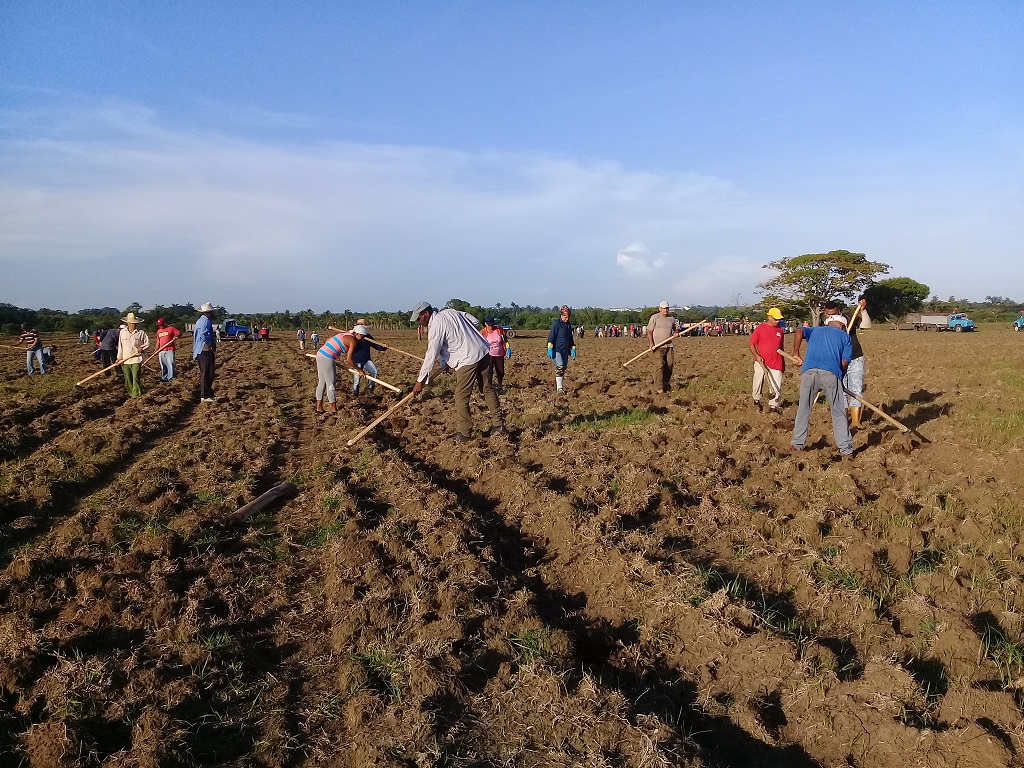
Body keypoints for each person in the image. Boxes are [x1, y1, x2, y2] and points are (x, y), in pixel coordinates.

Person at [410, 301, 504, 441]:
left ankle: (465, 433)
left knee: (461, 396)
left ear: (425, 313)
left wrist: (420, 381)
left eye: (419, 317)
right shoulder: (450, 312)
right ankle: (499, 425)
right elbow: (474, 321)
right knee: (487, 389)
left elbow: (431, 355)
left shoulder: (436, 325)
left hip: (467, 359)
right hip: (483, 351)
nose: (419, 321)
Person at [790, 313, 854, 459]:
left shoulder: (815, 330)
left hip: (809, 372)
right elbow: (844, 362)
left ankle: (796, 443)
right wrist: (839, 378)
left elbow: (799, 330)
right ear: (842, 325)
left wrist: (795, 353)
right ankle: (846, 449)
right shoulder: (845, 337)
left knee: (804, 408)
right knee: (838, 412)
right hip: (831, 374)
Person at [748, 308, 786, 411]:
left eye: (779, 319)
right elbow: (751, 344)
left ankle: (773, 406)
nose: (777, 321)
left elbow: (781, 347)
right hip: (761, 361)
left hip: (776, 361)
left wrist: (783, 363)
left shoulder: (780, 331)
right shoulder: (760, 328)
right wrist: (757, 356)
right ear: (769, 317)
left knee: (776, 384)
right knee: (758, 381)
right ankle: (756, 400)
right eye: (775, 319)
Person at [844, 296, 871, 430]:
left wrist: (863, 311)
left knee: (856, 389)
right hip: (838, 360)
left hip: (855, 358)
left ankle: (855, 422)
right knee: (840, 391)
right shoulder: (826, 324)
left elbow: (866, 325)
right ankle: (842, 422)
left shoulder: (849, 318)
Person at [315, 326, 355, 412]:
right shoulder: (352, 340)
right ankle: (334, 409)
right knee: (331, 384)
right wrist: (359, 370)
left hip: (320, 354)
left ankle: (319, 407)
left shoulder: (341, 335)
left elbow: (328, 340)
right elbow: (349, 359)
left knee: (322, 382)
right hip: (328, 357)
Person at [646, 301, 678, 392]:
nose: (665, 310)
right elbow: (649, 331)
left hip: (669, 345)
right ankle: (659, 387)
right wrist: (651, 344)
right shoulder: (655, 317)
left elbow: (676, 327)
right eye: (664, 308)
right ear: (660, 309)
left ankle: (665, 382)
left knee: (670, 364)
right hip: (658, 346)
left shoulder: (671, 318)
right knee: (660, 366)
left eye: (667, 308)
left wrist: (676, 332)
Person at [347, 324, 387, 396]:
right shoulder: (352, 338)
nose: (363, 337)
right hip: (356, 362)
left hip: (366, 360)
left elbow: (376, 346)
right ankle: (355, 394)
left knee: (374, 372)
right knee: (356, 380)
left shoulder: (368, 337)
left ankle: (369, 389)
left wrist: (383, 347)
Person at [117, 312, 150, 397]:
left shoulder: (141, 333)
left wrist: (142, 348)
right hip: (126, 359)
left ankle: (136, 395)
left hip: (136, 359)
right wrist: (119, 358)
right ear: (128, 323)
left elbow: (148, 343)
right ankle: (131, 393)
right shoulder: (122, 332)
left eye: (135, 323)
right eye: (132, 323)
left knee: (136, 377)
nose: (134, 325)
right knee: (128, 378)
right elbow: (120, 346)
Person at [547, 305, 577, 394]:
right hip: (557, 349)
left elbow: (570, 337)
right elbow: (552, 336)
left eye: (568, 317)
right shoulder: (556, 324)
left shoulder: (568, 325)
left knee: (563, 368)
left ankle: (560, 385)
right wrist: (549, 346)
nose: (566, 319)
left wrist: (573, 347)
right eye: (565, 317)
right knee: (560, 366)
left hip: (565, 350)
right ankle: (559, 389)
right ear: (561, 315)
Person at [193, 302, 217, 402]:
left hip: (200, 350)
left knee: (208, 372)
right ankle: (204, 395)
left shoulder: (201, 320)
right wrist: (209, 345)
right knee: (206, 373)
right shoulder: (205, 321)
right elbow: (204, 335)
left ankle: (208, 393)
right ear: (209, 312)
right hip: (204, 350)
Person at [481, 317, 510, 392]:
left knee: (500, 372)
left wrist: (508, 348)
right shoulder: (483, 333)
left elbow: (505, 341)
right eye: (489, 325)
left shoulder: (499, 330)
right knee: (489, 372)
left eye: (492, 324)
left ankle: (499, 386)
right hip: (488, 355)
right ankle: (489, 387)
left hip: (499, 354)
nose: (491, 326)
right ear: (485, 324)